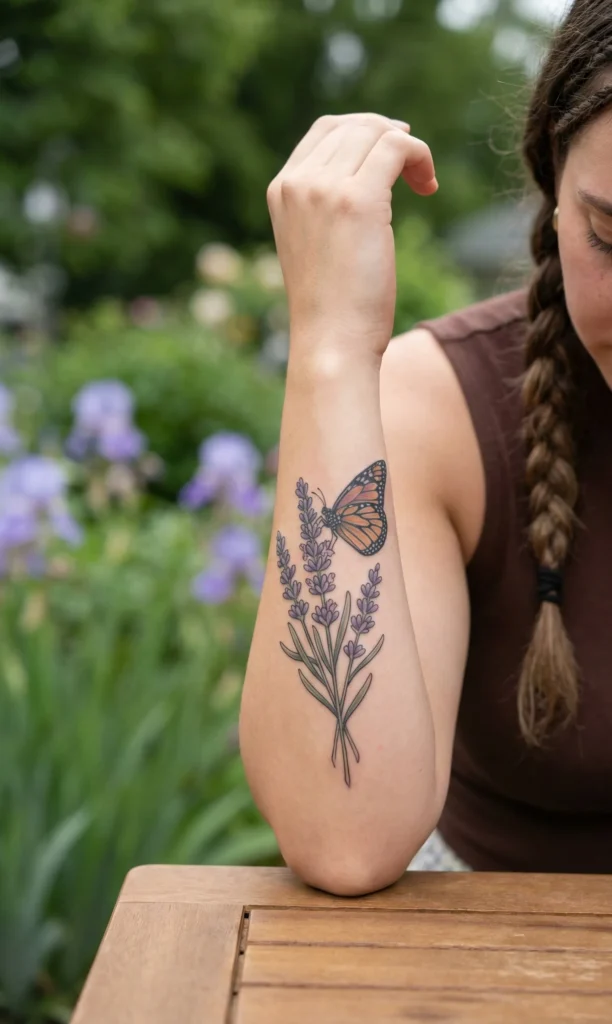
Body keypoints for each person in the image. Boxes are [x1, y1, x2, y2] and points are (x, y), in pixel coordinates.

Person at [239, 0, 612, 895]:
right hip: (487, 954)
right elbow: (346, 835)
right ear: (553, 188)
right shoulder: (444, 405)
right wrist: (331, 347)